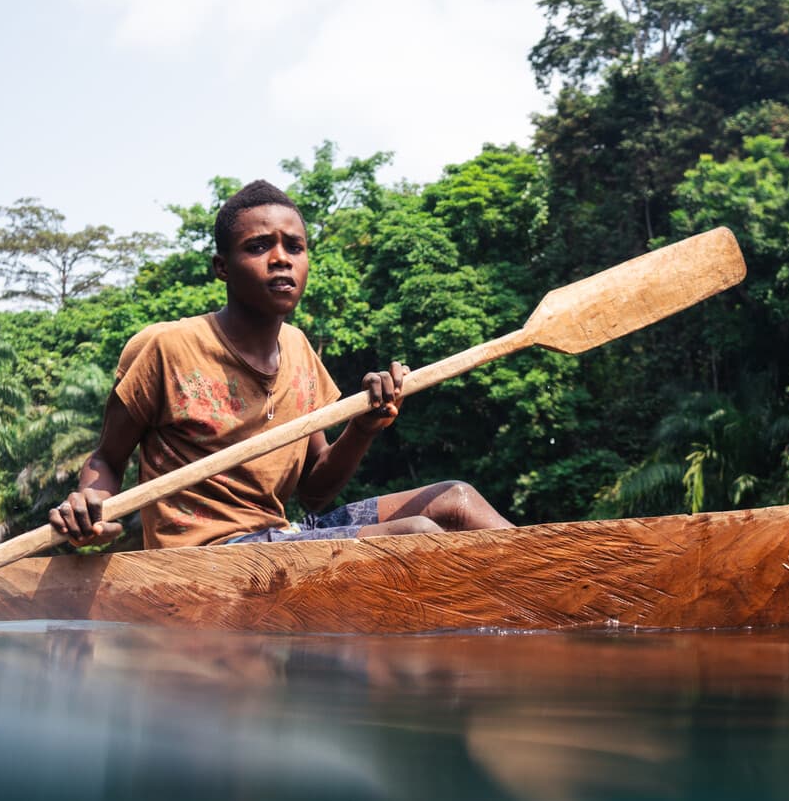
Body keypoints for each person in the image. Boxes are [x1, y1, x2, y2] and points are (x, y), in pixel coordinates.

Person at [47, 180, 512, 549]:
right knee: (416, 538)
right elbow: (108, 458)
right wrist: (93, 507)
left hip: (283, 536)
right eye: (258, 247)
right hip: (207, 556)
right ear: (222, 267)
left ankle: (568, 579)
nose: (281, 260)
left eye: (295, 246)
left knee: (456, 500)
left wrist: (364, 428)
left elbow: (313, 492)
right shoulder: (167, 348)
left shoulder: (300, 351)